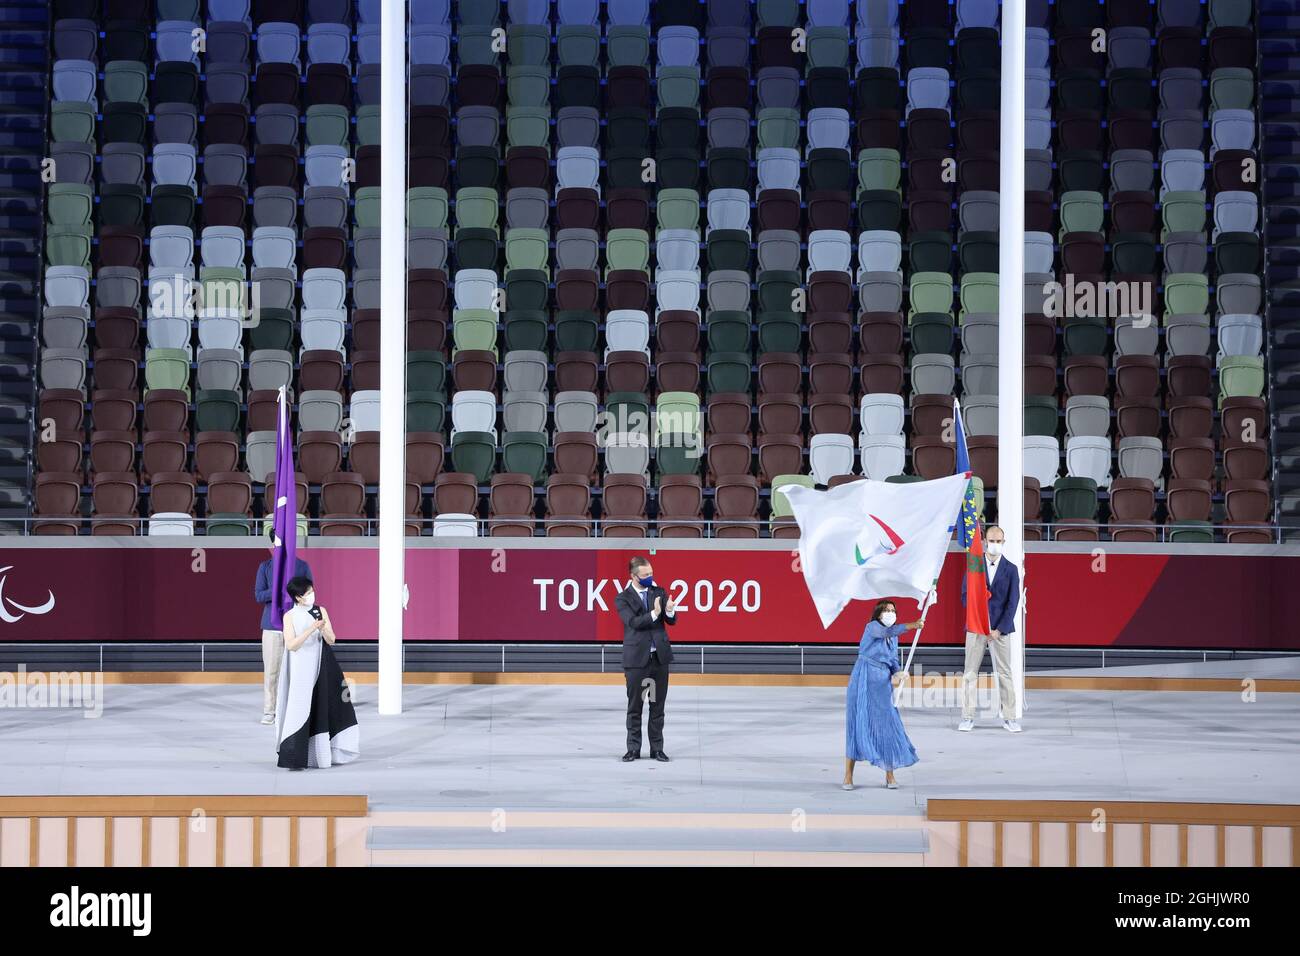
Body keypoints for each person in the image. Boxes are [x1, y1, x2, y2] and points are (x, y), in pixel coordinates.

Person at [275, 576, 360, 770]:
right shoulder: (289, 616)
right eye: (307, 593)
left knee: (327, 705)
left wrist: (322, 629)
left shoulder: (320, 611)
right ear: (298, 597)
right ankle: (295, 755)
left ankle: (324, 754)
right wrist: (310, 629)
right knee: (300, 710)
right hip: (300, 669)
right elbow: (291, 645)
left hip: (322, 665)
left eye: (312, 591)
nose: (312, 596)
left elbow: (332, 639)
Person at [843, 599, 924, 790]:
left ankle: (890, 775)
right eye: (886, 610)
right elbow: (886, 631)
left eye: (893, 610)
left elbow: (893, 658)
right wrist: (913, 625)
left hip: (882, 682)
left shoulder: (893, 636)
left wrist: (898, 671)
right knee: (857, 723)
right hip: (863, 678)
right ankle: (848, 776)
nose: (890, 613)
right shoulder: (872, 627)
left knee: (887, 725)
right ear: (879, 614)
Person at [958, 524, 1022, 733]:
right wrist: (979, 622)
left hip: (1000, 630)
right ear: (985, 541)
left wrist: (998, 629)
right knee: (969, 673)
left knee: (1005, 673)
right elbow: (965, 596)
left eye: (998, 541)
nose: (994, 544)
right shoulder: (974, 565)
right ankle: (967, 717)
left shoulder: (1011, 569)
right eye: (991, 540)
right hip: (976, 628)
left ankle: (1010, 717)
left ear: (1003, 543)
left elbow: (1013, 602)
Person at [615, 556, 676, 762]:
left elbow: (671, 620)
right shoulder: (622, 598)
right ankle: (633, 748)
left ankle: (657, 749)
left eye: (651, 573)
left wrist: (669, 610)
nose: (650, 577)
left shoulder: (659, 592)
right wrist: (654, 613)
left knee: (657, 707)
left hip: (659, 659)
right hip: (636, 661)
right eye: (646, 575)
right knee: (635, 708)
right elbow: (632, 622)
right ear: (634, 576)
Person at [254, 527, 312, 724]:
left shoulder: (302, 566)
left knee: (298, 671)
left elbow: (309, 596)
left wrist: (292, 590)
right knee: (272, 671)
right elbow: (259, 595)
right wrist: (277, 589)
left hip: (297, 626)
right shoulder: (265, 567)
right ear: (273, 545)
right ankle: (270, 710)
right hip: (272, 626)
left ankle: (296, 709)